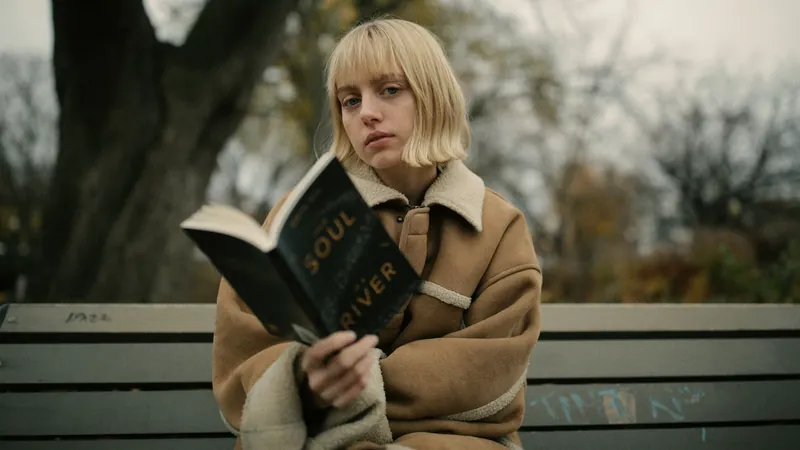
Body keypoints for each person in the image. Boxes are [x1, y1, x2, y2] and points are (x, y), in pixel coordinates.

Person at [211, 18, 542, 450]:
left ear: (433, 96)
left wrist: (360, 383)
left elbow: (492, 368)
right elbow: (246, 354)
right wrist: (304, 382)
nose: (366, 112)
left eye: (389, 90)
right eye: (350, 101)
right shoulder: (302, 215)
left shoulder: (498, 225)